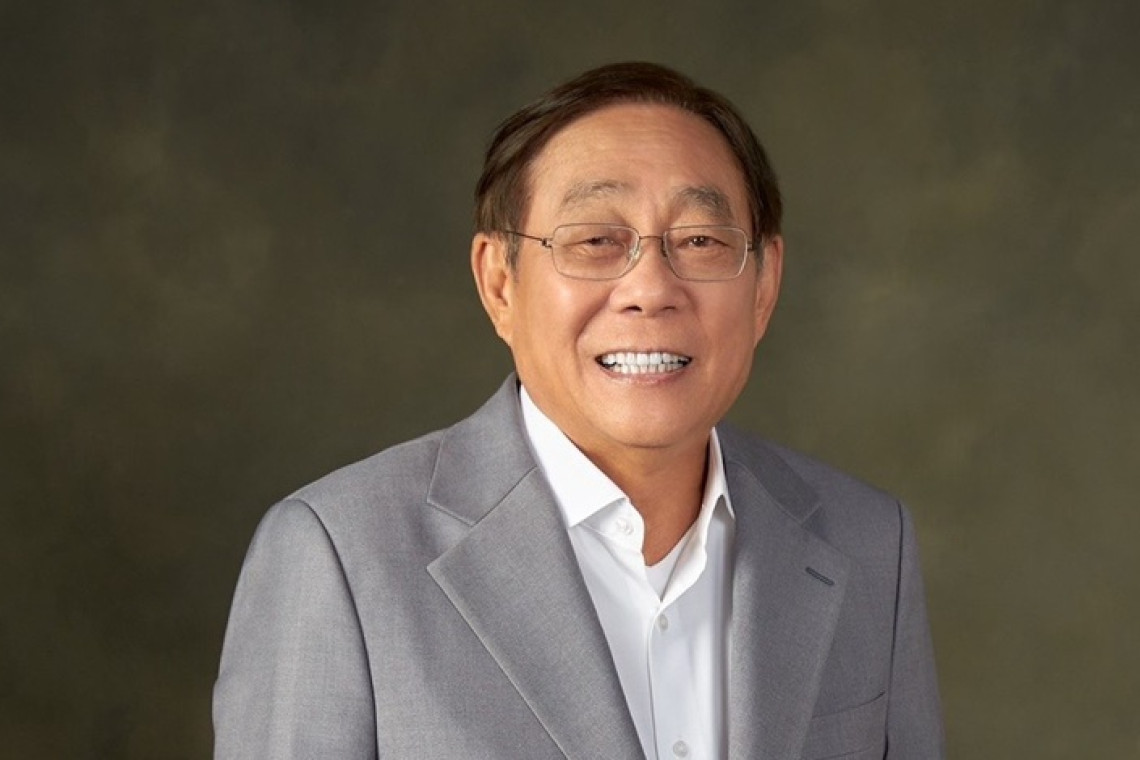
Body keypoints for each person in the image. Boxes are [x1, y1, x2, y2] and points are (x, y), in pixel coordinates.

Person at [213, 61, 944, 759]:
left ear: (765, 285)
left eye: (699, 241)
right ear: (499, 282)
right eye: (596, 241)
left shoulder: (869, 542)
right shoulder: (338, 556)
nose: (650, 289)